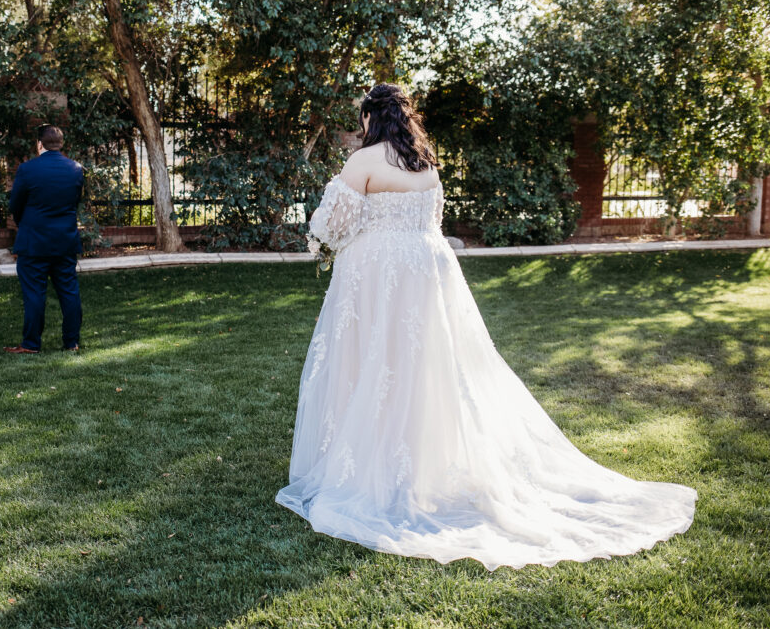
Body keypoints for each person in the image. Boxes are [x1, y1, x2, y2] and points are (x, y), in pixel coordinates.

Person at [275, 83, 696, 570]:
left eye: (362, 118)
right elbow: (430, 225)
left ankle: (378, 468)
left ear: (371, 117)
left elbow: (331, 225)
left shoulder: (363, 161)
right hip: (425, 274)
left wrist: (321, 237)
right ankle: (413, 462)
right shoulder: (424, 165)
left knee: (376, 362)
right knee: (422, 368)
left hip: (378, 278)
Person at [5, 124, 85, 354]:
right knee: (69, 292)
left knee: (34, 294)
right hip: (65, 240)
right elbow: (74, 203)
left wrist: (25, 224)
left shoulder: (27, 169)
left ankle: (31, 344)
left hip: (34, 241)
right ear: (61, 144)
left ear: (39, 144)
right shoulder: (76, 169)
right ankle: (72, 342)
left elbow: (15, 205)